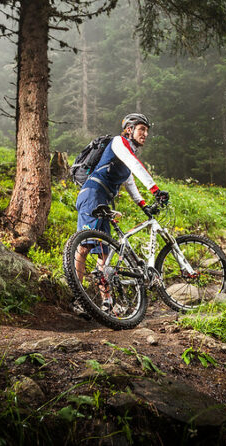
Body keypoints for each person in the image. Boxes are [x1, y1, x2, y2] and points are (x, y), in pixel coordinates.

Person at [73, 113, 169, 316]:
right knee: (84, 246)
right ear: (129, 129)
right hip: (92, 194)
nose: (145, 134)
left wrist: (145, 206)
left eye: (147, 131)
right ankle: (78, 298)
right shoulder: (119, 143)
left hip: (102, 200)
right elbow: (135, 165)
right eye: (141, 129)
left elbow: (131, 185)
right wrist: (155, 189)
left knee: (103, 253)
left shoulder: (126, 158)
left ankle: (107, 303)